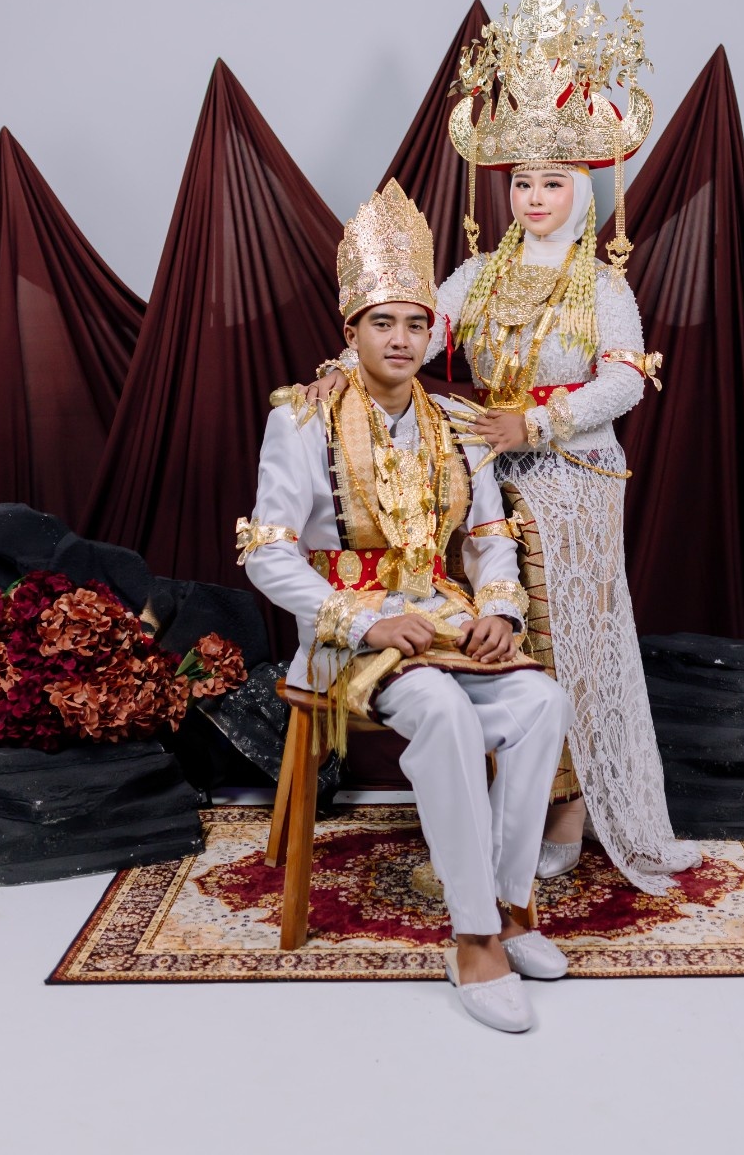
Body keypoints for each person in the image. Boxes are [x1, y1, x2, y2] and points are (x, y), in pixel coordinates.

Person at [305, 0, 701, 894]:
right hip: (485, 477)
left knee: (562, 641)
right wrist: (344, 364)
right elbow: (414, 332)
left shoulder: (600, 284)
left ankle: (566, 812)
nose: (531, 196)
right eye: (520, 181)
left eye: (550, 182)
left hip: (571, 482)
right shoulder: (477, 274)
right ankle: (495, 803)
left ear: (582, 188)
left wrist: (539, 418)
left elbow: (625, 380)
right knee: (491, 637)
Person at [238, 179, 572, 1032]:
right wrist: (365, 619)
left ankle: (511, 904)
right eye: (381, 322)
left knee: (542, 702)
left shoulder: (456, 421)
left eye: (414, 324)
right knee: (444, 713)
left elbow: (489, 534)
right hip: (346, 633)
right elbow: (268, 552)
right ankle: (473, 939)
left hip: (447, 619)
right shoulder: (301, 420)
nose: (399, 339)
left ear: (433, 333)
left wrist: (500, 610)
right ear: (350, 330)